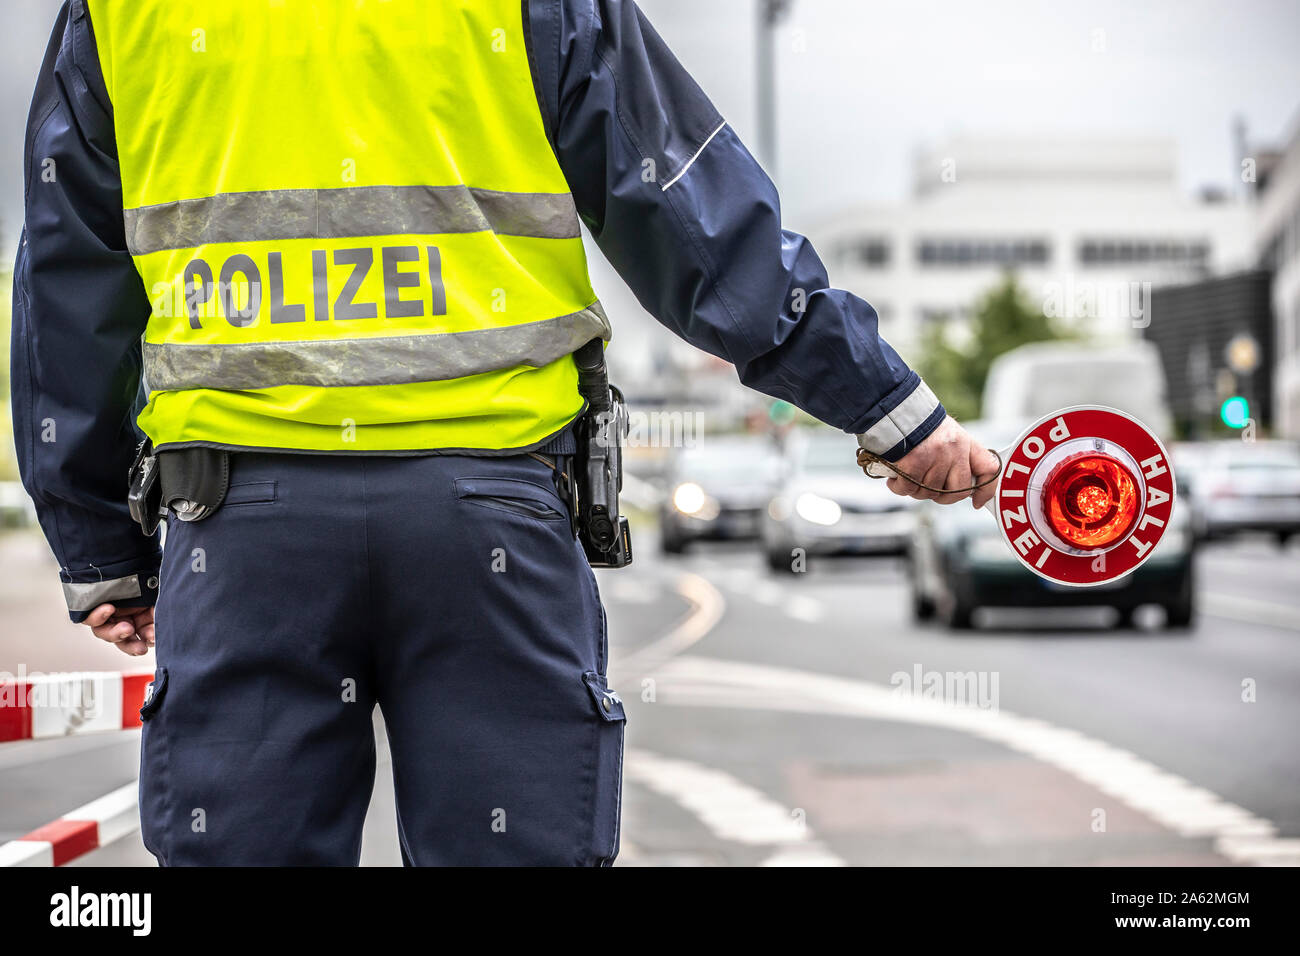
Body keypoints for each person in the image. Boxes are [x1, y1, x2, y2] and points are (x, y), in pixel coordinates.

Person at [12, 0, 1000, 866]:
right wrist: (888, 410)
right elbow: (690, 216)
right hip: (487, 519)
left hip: (239, 530)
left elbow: (68, 280)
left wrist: (103, 546)